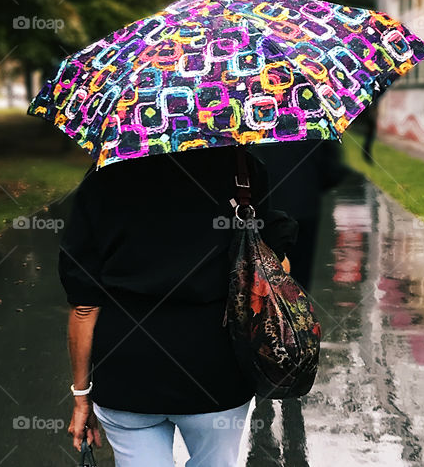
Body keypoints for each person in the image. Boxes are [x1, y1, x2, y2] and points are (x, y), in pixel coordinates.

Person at [60, 146, 297, 466]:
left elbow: (85, 307)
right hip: (217, 371)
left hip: (126, 374)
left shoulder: (104, 174)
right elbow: (275, 268)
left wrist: (81, 397)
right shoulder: (242, 168)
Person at [256, 140, 348, 290]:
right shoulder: (314, 127)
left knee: (266, 272)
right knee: (300, 274)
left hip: (267, 209)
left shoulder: (251, 131)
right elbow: (333, 171)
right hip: (305, 207)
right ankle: (299, 302)